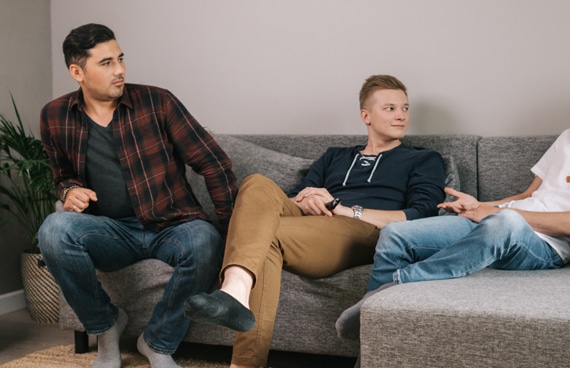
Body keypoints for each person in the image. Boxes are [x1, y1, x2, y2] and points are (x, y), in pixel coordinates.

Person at [335, 69, 570, 342]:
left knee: (506, 223)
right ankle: (372, 339)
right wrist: (481, 205)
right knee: (395, 233)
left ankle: (380, 296)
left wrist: (499, 213)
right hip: (503, 222)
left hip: (547, 245)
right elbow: (529, 195)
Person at [183, 74, 446, 367]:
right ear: (365, 115)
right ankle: (235, 290)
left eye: (405, 108)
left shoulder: (423, 159)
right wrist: (307, 201)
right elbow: (293, 198)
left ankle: (243, 360)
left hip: (364, 230)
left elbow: (420, 216)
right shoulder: (335, 156)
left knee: (268, 237)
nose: (401, 116)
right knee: (256, 184)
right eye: (390, 108)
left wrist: (342, 207)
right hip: (314, 222)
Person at [37, 24, 236, 368]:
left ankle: (157, 342)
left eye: (120, 58)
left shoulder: (158, 101)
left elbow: (214, 163)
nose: (120, 70)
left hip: (172, 225)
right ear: (77, 72)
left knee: (206, 241)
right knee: (53, 230)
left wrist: (234, 231)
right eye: (106, 63)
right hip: (109, 232)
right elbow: (61, 176)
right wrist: (70, 191)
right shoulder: (55, 116)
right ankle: (107, 325)